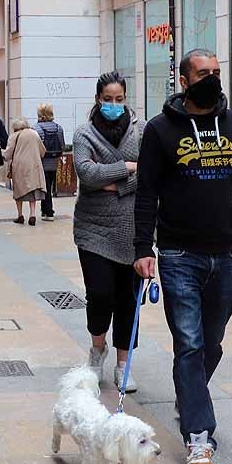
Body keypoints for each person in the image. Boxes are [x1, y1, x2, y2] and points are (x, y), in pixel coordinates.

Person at [133, 49, 232, 464]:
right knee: (190, 343)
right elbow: (146, 194)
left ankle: (190, 389)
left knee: (211, 342)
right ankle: (199, 438)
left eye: (216, 73)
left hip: (226, 254)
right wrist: (143, 247)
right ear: (184, 80)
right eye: (203, 73)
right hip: (179, 254)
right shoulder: (160, 131)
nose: (212, 79)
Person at [73, 72, 145, 392]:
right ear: (98, 99)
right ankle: (96, 351)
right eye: (108, 99)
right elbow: (86, 174)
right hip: (93, 229)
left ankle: (123, 364)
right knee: (100, 295)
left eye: (119, 99)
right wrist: (129, 168)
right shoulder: (84, 133)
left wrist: (111, 184)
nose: (114, 105)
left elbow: (151, 174)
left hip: (132, 230)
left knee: (128, 301)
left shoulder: (141, 131)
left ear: (125, 98)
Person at [4, 118, 46, 226]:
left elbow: (7, 154)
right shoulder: (34, 133)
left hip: (19, 166)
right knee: (32, 191)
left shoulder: (13, 136)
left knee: (18, 191)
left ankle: (20, 215)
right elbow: (42, 151)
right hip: (34, 165)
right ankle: (32, 215)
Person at [35, 104, 66, 221]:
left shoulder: (36, 128)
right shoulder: (59, 128)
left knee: (45, 187)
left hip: (42, 162)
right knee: (49, 185)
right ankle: (45, 210)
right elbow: (62, 145)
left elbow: (36, 148)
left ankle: (49, 212)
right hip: (54, 162)